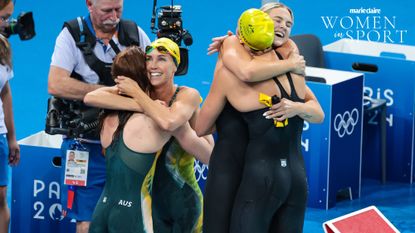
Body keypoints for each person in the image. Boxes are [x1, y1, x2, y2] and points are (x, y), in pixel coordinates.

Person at [196, 5, 324, 233]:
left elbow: (201, 127)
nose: (283, 28)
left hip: (243, 169)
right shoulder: (292, 68)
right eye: (277, 21)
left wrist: (224, 55)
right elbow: (317, 112)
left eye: (288, 24)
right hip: (286, 171)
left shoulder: (232, 68)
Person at [85, 37, 214, 232]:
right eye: (149, 59)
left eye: (162, 59)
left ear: (175, 67)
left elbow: (207, 154)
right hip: (149, 205)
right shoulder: (142, 92)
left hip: (182, 200)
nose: (153, 65)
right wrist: (143, 102)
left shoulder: (186, 96)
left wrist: (140, 97)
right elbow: (92, 97)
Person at [47, 0, 150, 232]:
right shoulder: (70, 36)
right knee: (87, 221)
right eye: (106, 11)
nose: (113, 16)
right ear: (89, 5)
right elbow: (56, 84)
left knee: (132, 219)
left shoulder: (135, 34)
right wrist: (109, 94)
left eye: (118, 10)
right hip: (84, 146)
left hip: (128, 148)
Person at [0, 1, 20, 232]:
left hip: (0, 135)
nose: (7, 24)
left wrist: (12, 138)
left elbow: (4, 91)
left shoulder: (3, 46)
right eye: (4, 17)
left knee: (0, 196)